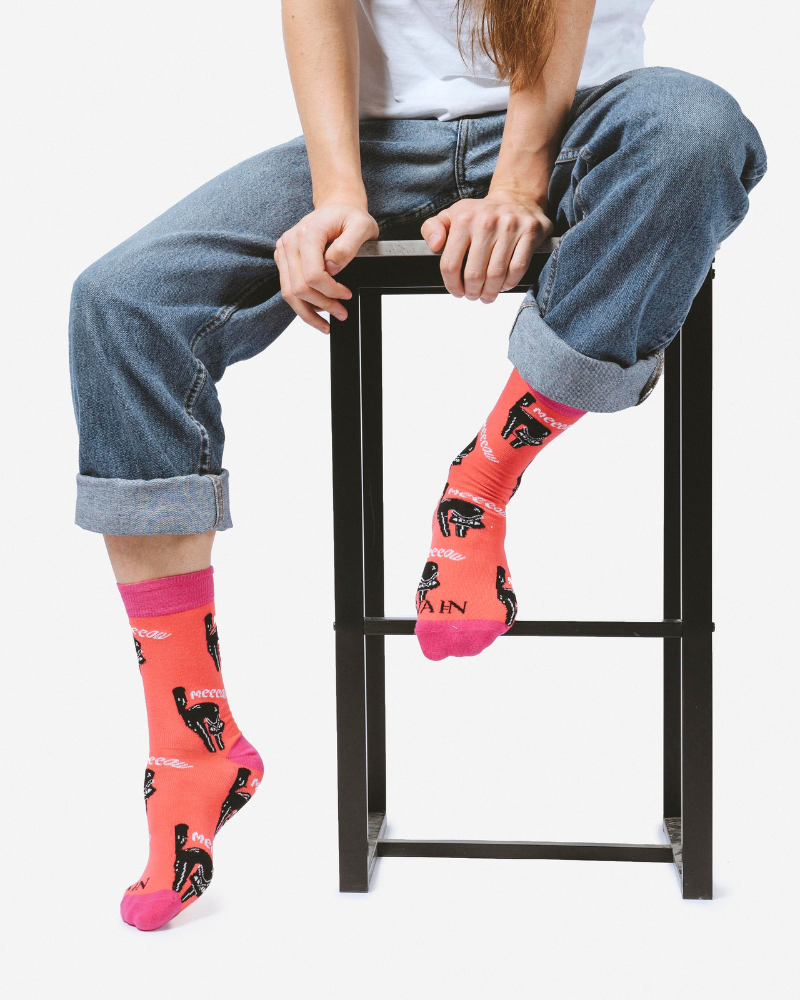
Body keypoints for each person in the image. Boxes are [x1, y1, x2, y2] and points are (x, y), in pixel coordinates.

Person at [68, 0, 766, 931]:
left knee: (697, 134)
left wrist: (519, 178)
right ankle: (190, 742)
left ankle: (479, 490)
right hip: (388, 142)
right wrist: (335, 194)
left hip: (584, 121)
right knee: (122, 304)